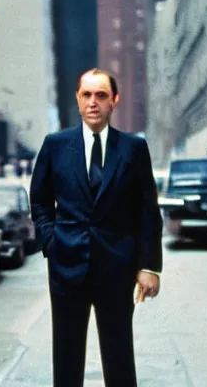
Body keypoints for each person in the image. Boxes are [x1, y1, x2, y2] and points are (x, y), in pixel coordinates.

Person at [30, 68, 162, 387]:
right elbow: (40, 200)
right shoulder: (55, 145)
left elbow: (148, 210)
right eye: (86, 95)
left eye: (101, 95)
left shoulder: (133, 148)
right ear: (77, 100)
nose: (93, 102)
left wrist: (149, 266)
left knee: (119, 357)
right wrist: (51, 241)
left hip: (117, 268)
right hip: (67, 267)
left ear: (113, 101)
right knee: (66, 356)